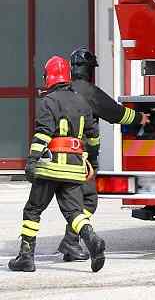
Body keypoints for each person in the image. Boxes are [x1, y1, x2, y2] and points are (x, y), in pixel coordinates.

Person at [9, 56, 106, 273]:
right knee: (74, 212)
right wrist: (92, 161)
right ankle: (92, 239)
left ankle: (26, 256)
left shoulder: (48, 102)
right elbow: (94, 138)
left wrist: (32, 161)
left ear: (48, 77)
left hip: (50, 167)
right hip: (74, 169)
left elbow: (42, 135)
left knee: (33, 209)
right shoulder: (82, 102)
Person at [55, 47, 149, 262]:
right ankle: (70, 242)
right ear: (90, 70)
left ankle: (65, 244)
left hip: (59, 157)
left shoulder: (62, 91)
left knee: (65, 203)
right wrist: (140, 118)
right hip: (81, 159)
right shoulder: (88, 92)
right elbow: (117, 113)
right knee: (88, 201)